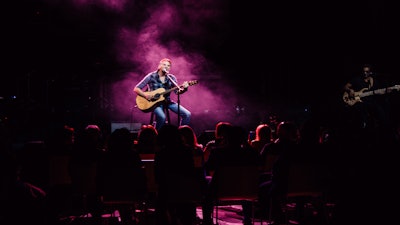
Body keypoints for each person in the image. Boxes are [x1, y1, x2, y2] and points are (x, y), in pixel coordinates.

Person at [134, 58, 192, 130]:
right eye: (164, 65)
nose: (166, 67)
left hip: (167, 102)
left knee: (187, 114)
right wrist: (145, 95)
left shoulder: (171, 78)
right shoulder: (151, 76)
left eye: (168, 65)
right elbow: (136, 88)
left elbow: (177, 92)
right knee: (162, 117)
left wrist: (185, 89)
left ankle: (181, 135)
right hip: (154, 103)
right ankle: (156, 137)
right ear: (159, 66)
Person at [342, 64, 396, 140]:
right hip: (359, 102)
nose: (365, 73)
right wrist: (350, 90)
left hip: (371, 103)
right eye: (363, 72)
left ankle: (387, 133)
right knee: (361, 111)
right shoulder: (357, 79)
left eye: (367, 72)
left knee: (382, 114)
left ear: (370, 72)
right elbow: (345, 86)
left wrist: (387, 90)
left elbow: (378, 92)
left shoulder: (374, 81)